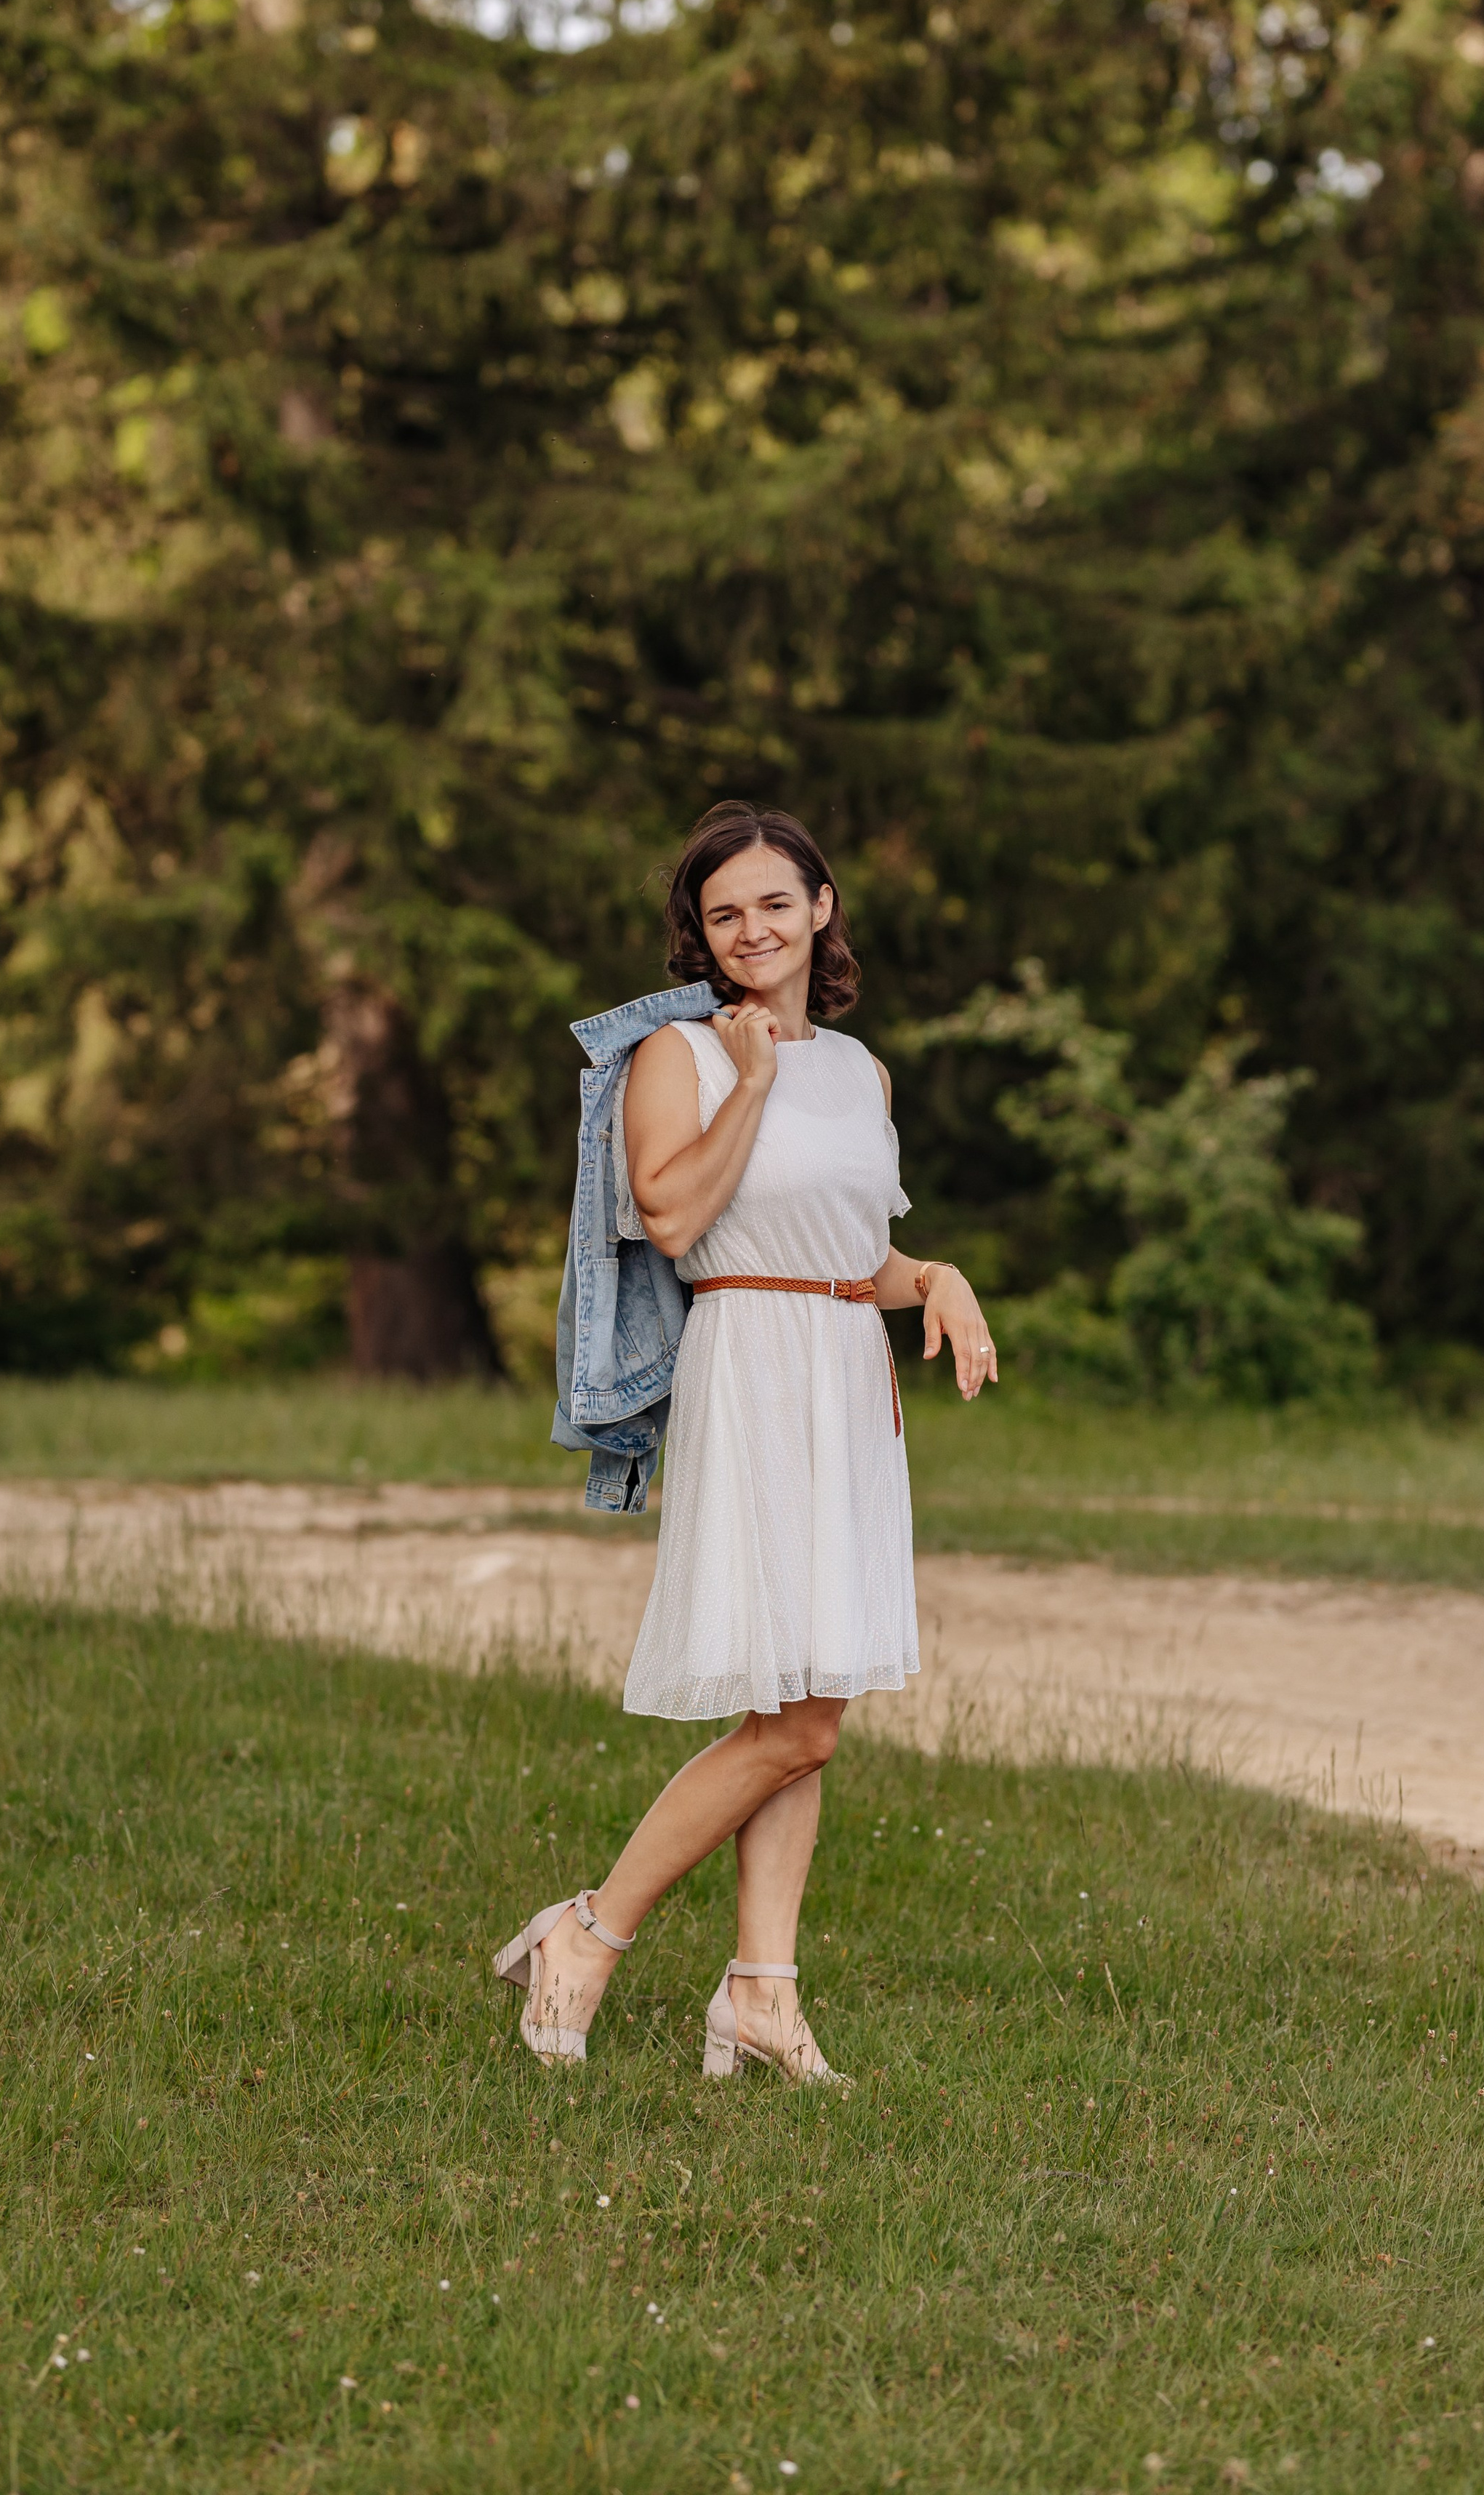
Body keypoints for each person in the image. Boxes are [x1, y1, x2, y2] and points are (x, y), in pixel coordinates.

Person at [495, 803, 996, 2081]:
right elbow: (673, 1215)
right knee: (799, 1723)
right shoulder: (681, 1057)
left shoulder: (864, 1069)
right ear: (701, 936)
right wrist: (754, 1074)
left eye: (776, 902)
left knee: (804, 1695)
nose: (753, 928)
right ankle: (591, 1932)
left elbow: (851, 1252)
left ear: (821, 908)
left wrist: (933, 1276)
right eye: (725, 913)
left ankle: (762, 1993)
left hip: (844, 1372)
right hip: (754, 1373)